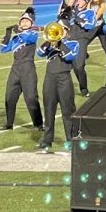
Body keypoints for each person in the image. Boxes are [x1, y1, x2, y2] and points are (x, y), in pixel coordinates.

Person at [36, 22, 79, 151]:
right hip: (49, 78)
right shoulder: (50, 44)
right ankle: (47, 140)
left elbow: (70, 56)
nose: (59, 32)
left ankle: (71, 140)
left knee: (68, 110)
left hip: (64, 78)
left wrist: (60, 43)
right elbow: (39, 52)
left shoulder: (73, 43)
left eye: (62, 29)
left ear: (67, 31)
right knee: (49, 109)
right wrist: (49, 42)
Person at [0, 7, 44, 131]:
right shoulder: (15, 39)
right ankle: (9, 123)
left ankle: (38, 124)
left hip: (28, 68)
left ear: (31, 24)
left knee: (31, 98)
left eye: (27, 21)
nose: (24, 23)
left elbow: (29, 39)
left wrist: (18, 32)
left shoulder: (33, 34)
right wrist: (8, 34)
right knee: (9, 97)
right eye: (22, 21)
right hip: (15, 69)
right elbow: (2, 49)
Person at [66, 0, 97, 97]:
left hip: (81, 40)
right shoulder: (71, 11)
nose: (79, 1)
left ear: (86, 2)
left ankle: (84, 88)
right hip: (69, 40)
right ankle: (81, 87)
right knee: (74, 67)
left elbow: (90, 25)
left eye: (82, 0)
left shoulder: (90, 13)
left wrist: (78, 19)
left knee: (79, 66)